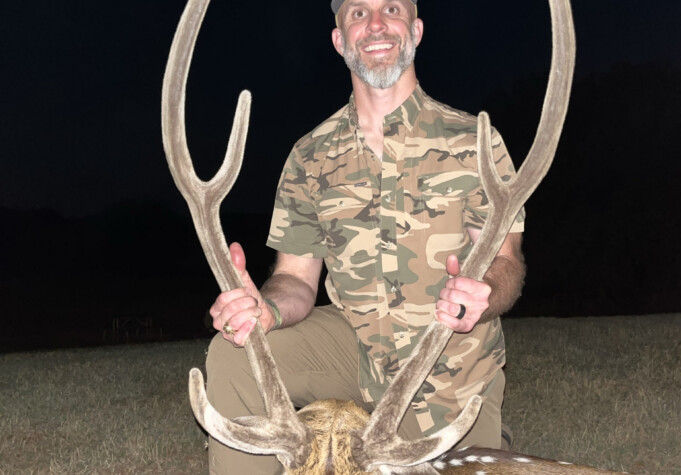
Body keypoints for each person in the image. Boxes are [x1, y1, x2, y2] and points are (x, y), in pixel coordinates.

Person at [205, 0, 525, 473]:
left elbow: (507, 263)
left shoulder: (474, 142)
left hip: (449, 372)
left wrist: (484, 293)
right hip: (356, 351)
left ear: (415, 31)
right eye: (357, 13)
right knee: (237, 350)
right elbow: (296, 279)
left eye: (391, 8)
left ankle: (485, 435)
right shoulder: (310, 156)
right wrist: (266, 309)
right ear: (339, 40)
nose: (375, 24)